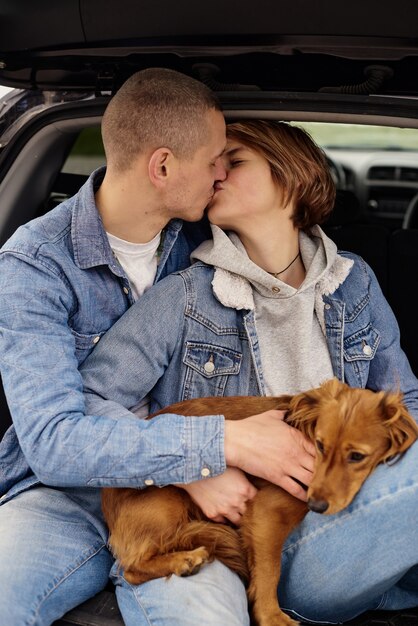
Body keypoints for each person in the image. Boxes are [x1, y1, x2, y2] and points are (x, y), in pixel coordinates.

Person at [80, 119, 418, 625]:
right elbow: (88, 404)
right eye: (212, 163)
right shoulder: (186, 295)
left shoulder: (355, 282)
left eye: (232, 162)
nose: (214, 173)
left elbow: (406, 404)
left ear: (290, 176)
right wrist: (194, 465)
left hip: (343, 529)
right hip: (240, 533)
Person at [0, 72, 307, 626]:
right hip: (67, 496)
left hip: (187, 510)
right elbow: (51, 440)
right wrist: (206, 454)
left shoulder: (208, 246)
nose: (222, 173)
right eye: (216, 158)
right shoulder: (34, 266)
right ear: (163, 167)